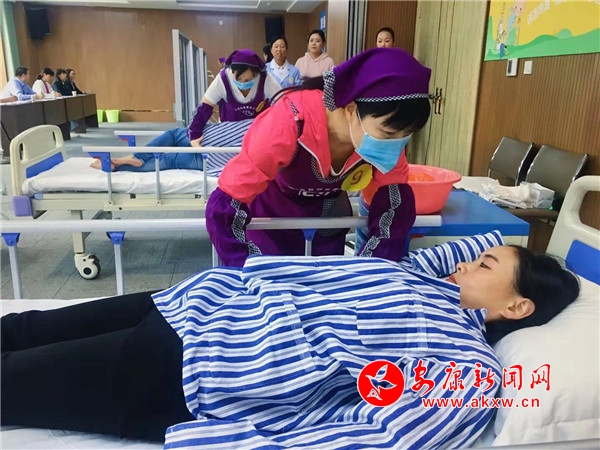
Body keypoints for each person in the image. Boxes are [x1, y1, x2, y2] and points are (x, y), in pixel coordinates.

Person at [0, 231, 580, 448]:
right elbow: (472, 243)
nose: (467, 264)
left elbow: (373, 438)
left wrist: (217, 442)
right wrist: (505, 251)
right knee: (25, 328)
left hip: (193, 369)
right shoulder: (427, 279)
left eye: (485, 265)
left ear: (517, 308)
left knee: (9, 384)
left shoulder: (468, 370)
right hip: (196, 302)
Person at [206, 47, 431, 267]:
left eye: (406, 136)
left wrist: (370, 269)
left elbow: (394, 207)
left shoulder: (385, 141)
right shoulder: (290, 121)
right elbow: (224, 203)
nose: (397, 144)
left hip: (328, 220)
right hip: (272, 221)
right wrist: (248, 266)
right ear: (351, 108)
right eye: (389, 133)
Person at [187, 49, 281, 146]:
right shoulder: (223, 79)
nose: (242, 83)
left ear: (256, 74)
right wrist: (194, 134)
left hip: (259, 130)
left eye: (247, 80)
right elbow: (205, 105)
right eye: (238, 79)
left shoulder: (265, 79)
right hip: (230, 130)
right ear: (232, 72)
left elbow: (284, 103)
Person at [90, 119, 253, 172]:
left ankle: (133, 158)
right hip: (215, 159)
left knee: (173, 135)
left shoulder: (260, 121)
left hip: (207, 138)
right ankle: (118, 166)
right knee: (169, 160)